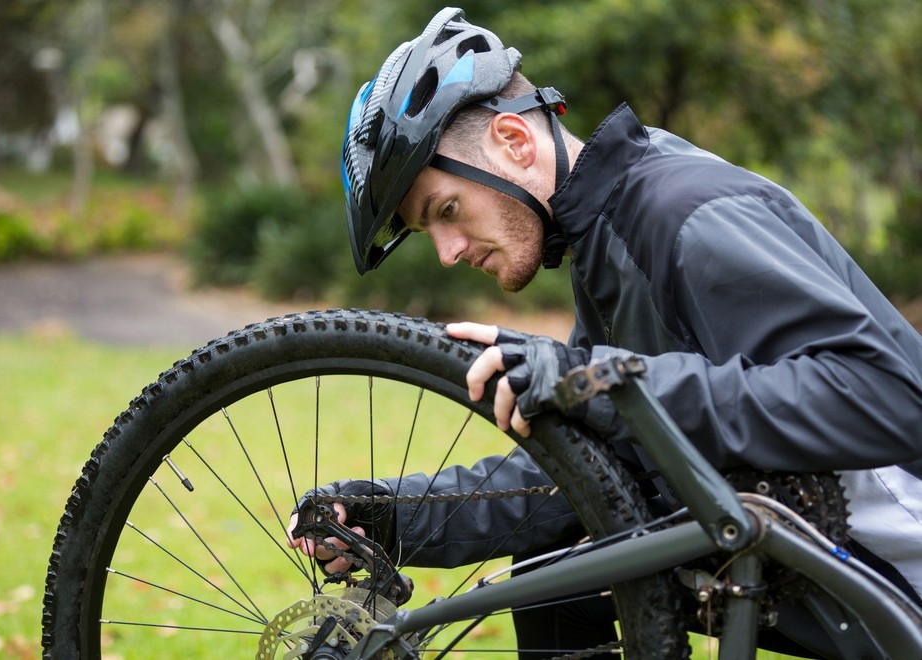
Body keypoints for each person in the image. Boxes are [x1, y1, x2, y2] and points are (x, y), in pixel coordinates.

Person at [290, 7, 922, 657]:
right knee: (551, 574)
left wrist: (603, 383)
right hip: (839, 583)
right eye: (430, 232)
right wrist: (394, 516)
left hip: (906, 580)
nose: (448, 251)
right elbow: (586, 476)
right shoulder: (609, 246)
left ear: (514, 140)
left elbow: (887, 398)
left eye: (446, 211)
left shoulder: (683, 211)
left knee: (558, 574)